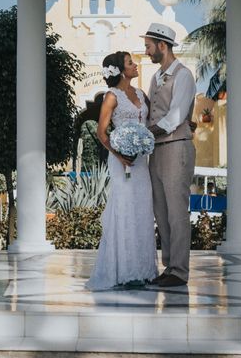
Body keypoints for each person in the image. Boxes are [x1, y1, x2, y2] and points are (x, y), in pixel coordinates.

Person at [86, 51, 158, 290]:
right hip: (121, 163)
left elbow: (152, 123)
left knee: (142, 210)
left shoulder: (140, 94)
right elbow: (101, 132)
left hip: (141, 164)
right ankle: (125, 271)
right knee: (125, 209)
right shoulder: (111, 96)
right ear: (120, 69)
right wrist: (120, 155)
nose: (135, 64)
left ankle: (144, 269)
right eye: (130, 62)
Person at [141, 23, 197, 287]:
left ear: (162, 46)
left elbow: (175, 115)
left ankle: (179, 270)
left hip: (177, 148)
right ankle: (169, 266)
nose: (146, 51)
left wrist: (147, 133)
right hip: (158, 150)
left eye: (149, 46)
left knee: (177, 212)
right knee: (161, 212)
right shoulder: (156, 77)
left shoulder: (183, 75)